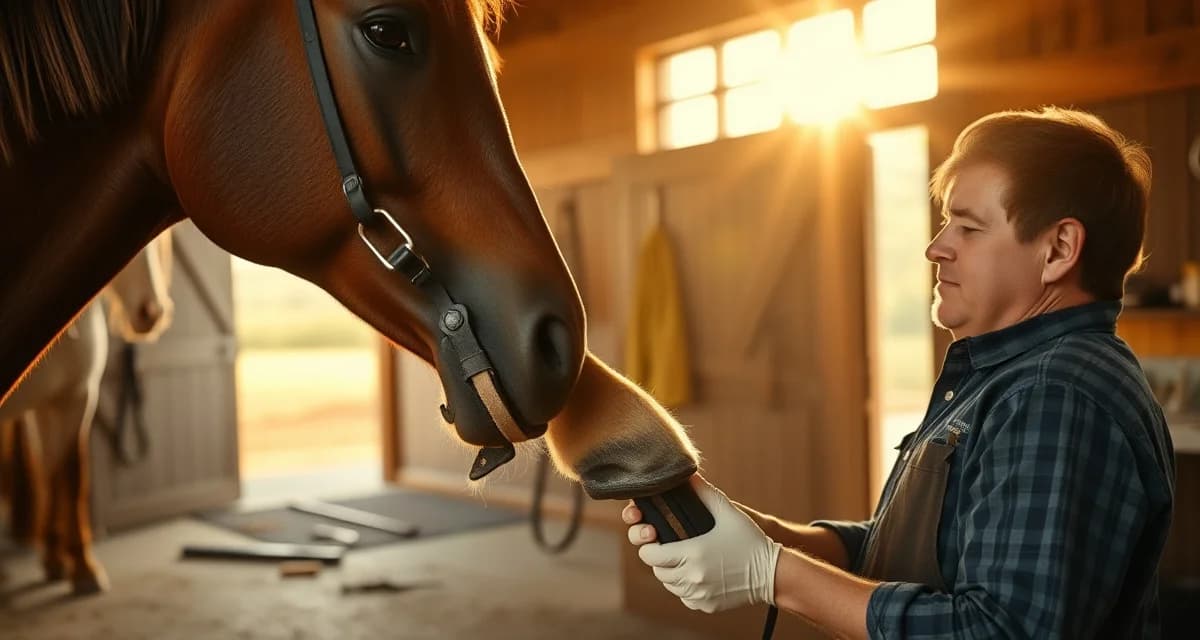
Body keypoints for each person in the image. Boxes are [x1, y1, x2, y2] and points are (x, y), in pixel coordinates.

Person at [623, 107, 1176, 639]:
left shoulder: (1054, 394)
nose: (936, 248)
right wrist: (765, 539)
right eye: (945, 223)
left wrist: (773, 575)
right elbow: (918, 556)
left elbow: (1000, 631)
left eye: (968, 227)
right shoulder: (1006, 376)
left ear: (1058, 249)